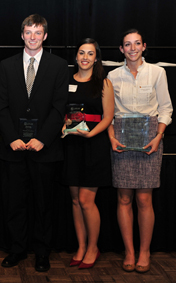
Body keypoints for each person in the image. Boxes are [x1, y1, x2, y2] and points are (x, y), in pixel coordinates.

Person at [0, 14, 68, 272]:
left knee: (43, 204)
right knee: (15, 203)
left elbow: (60, 108)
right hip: (13, 150)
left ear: (45, 36)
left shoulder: (59, 66)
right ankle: (17, 249)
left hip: (44, 150)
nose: (33, 37)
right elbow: (0, 107)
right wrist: (12, 138)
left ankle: (41, 253)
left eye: (38, 32)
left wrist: (42, 139)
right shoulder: (6, 65)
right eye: (29, 32)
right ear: (22, 35)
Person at [107, 29, 173, 273]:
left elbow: (166, 109)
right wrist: (112, 138)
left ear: (144, 46)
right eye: (127, 44)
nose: (132, 48)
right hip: (122, 137)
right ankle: (129, 251)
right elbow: (109, 113)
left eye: (136, 44)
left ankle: (144, 251)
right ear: (121, 49)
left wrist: (159, 136)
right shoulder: (112, 75)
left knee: (145, 199)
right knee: (124, 198)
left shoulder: (158, 72)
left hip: (150, 136)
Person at [62, 38, 114, 269]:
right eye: (81, 53)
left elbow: (108, 116)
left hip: (94, 145)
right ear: (76, 57)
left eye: (90, 54)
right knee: (75, 200)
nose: (85, 57)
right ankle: (81, 247)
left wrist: (91, 135)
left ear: (96, 58)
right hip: (72, 145)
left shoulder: (104, 83)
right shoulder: (66, 82)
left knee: (86, 200)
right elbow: (63, 112)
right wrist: (64, 125)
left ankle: (93, 247)